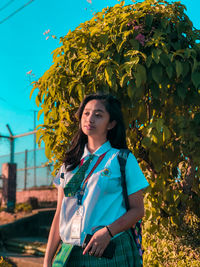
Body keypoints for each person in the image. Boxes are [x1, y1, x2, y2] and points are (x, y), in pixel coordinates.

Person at [43, 94, 149, 267]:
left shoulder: (121, 159)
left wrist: (108, 232)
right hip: (68, 254)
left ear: (111, 124)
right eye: (86, 113)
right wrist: (47, 261)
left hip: (108, 251)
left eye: (98, 115)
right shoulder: (68, 165)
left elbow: (138, 210)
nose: (90, 118)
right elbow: (59, 215)